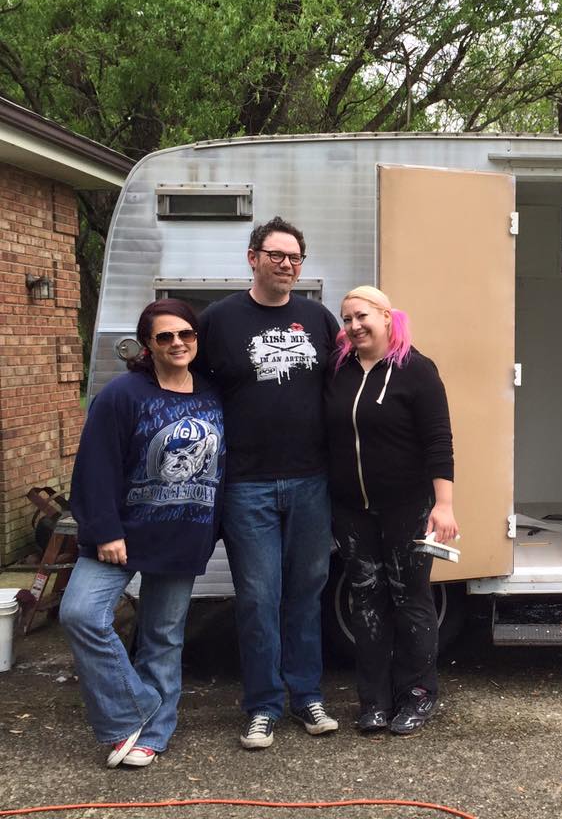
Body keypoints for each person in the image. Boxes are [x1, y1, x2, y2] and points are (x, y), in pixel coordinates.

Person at [195, 216, 341, 750]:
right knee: (258, 598)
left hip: (311, 482)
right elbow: (190, 383)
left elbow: (347, 383)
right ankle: (262, 705)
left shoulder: (319, 320)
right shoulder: (219, 320)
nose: (286, 264)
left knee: (305, 594)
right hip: (246, 485)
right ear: (252, 257)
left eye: (295, 257)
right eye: (276, 255)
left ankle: (307, 697)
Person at [59, 299, 224, 768]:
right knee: (81, 615)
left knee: (163, 637)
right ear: (148, 346)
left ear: (196, 339)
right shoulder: (122, 395)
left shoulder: (211, 396)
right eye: (165, 336)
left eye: (185, 335)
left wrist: (213, 529)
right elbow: (95, 467)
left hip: (182, 534)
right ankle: (138, 709)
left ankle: (153, 734)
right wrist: (105, 530)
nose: (177, 343)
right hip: (120, 535)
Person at [325, 285, 457, 736]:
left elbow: (439, 441)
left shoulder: (416, 370)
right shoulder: (338, 369)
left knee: (410, 598)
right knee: (365, 599)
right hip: (351, 509)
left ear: (386, 316)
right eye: (346, 319)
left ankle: (417, 695)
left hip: (408, 506)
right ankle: (374, 702)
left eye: (362, 316)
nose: (354, 326)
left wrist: (444, 505)